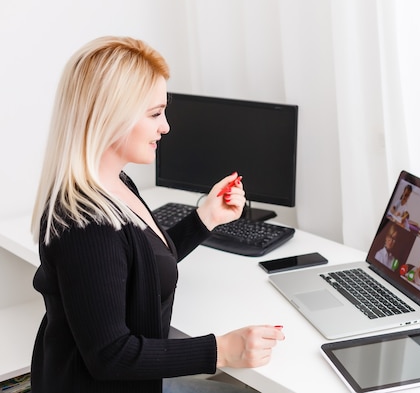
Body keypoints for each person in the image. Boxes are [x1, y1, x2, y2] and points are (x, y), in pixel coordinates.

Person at [29, 36, 284, 393]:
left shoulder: (118, 184)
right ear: (109, 116)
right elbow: (110, 356)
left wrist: (205, 219)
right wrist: (222, 350)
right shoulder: (84, 223)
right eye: (154, 114)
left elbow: (141, 265)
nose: (165, 127)